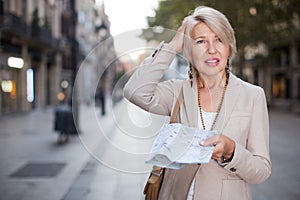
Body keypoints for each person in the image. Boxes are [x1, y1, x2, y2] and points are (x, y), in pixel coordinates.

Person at [124, 6, 271, 200]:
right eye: (200, 41)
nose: (211, 49)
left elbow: (261, 171)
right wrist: (173, 46)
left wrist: (231, 150)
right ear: (189, 51)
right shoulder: (178, 91)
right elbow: (134, 91)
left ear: (229, 47)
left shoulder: (252, 95)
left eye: (219, 39)